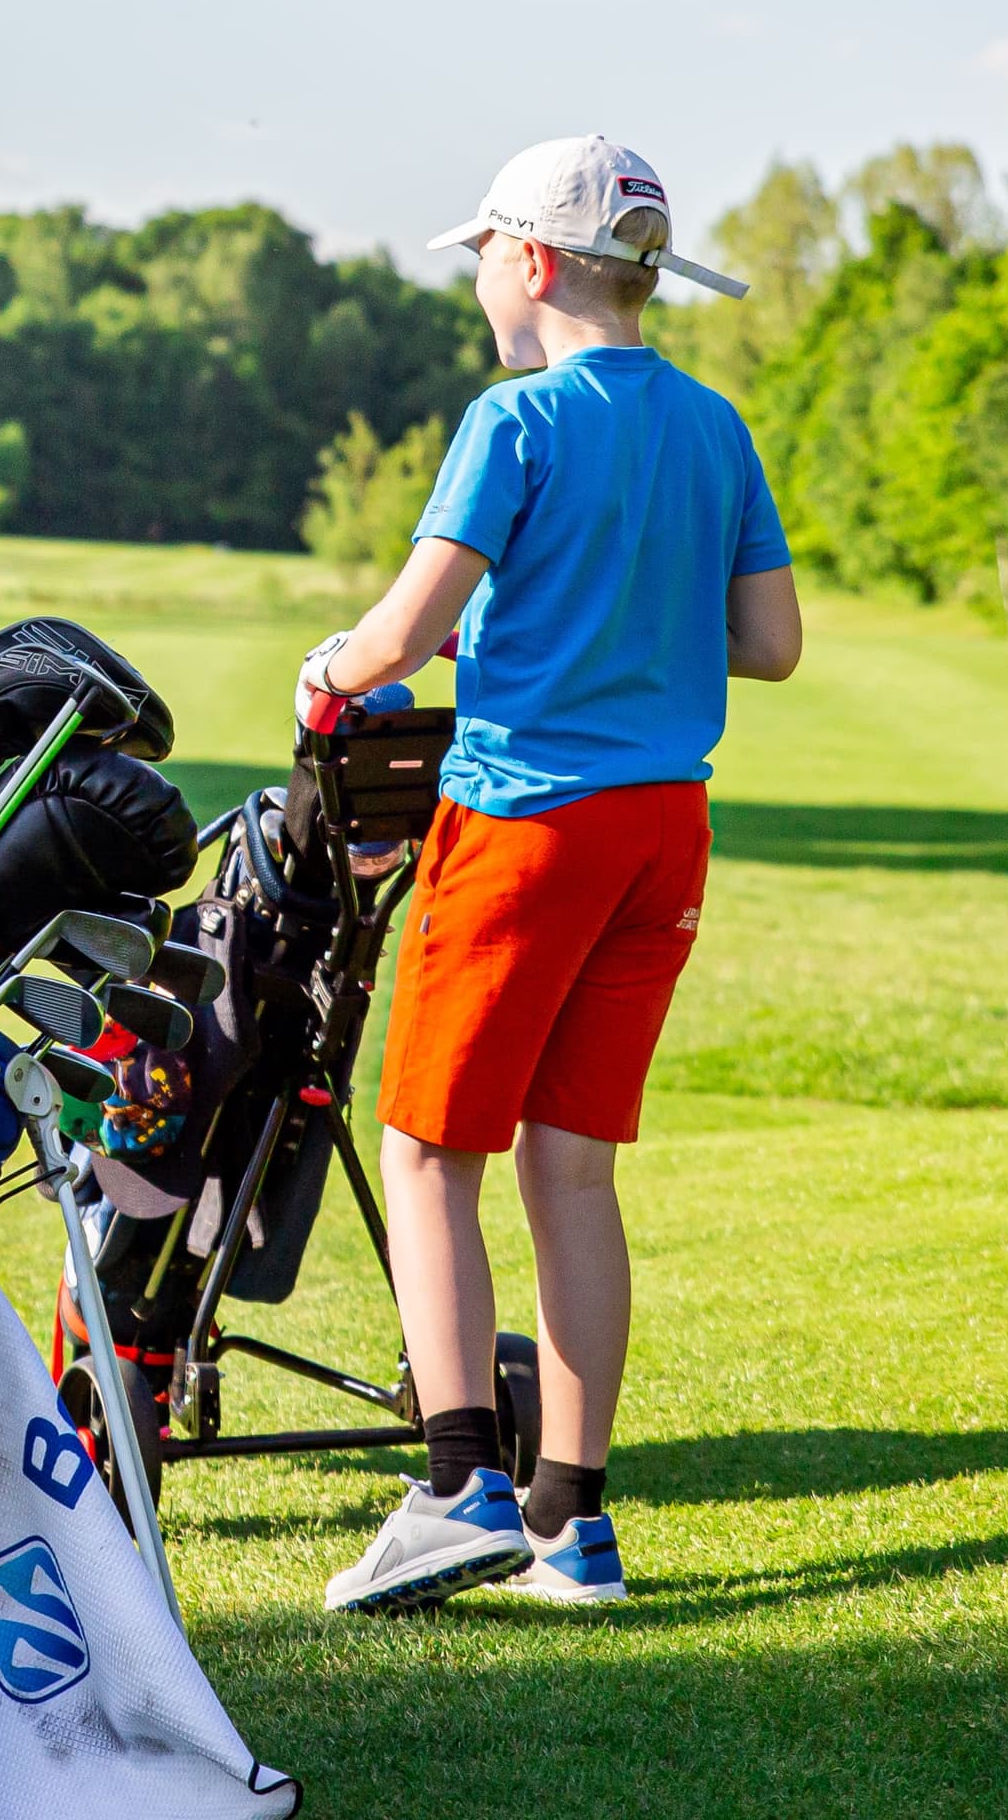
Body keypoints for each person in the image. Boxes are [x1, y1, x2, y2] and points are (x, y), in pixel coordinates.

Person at [297, 135, 801, 1618]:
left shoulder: (513, 419)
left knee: (425, 1150)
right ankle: (574, 1530)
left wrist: (331, 666)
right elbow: (767, 646)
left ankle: (456, 1486)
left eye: (480, 260)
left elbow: (393, 640)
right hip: (665, 833)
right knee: (571, 1166)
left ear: (526, 260)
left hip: (527, 826)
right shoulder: (715, 426)